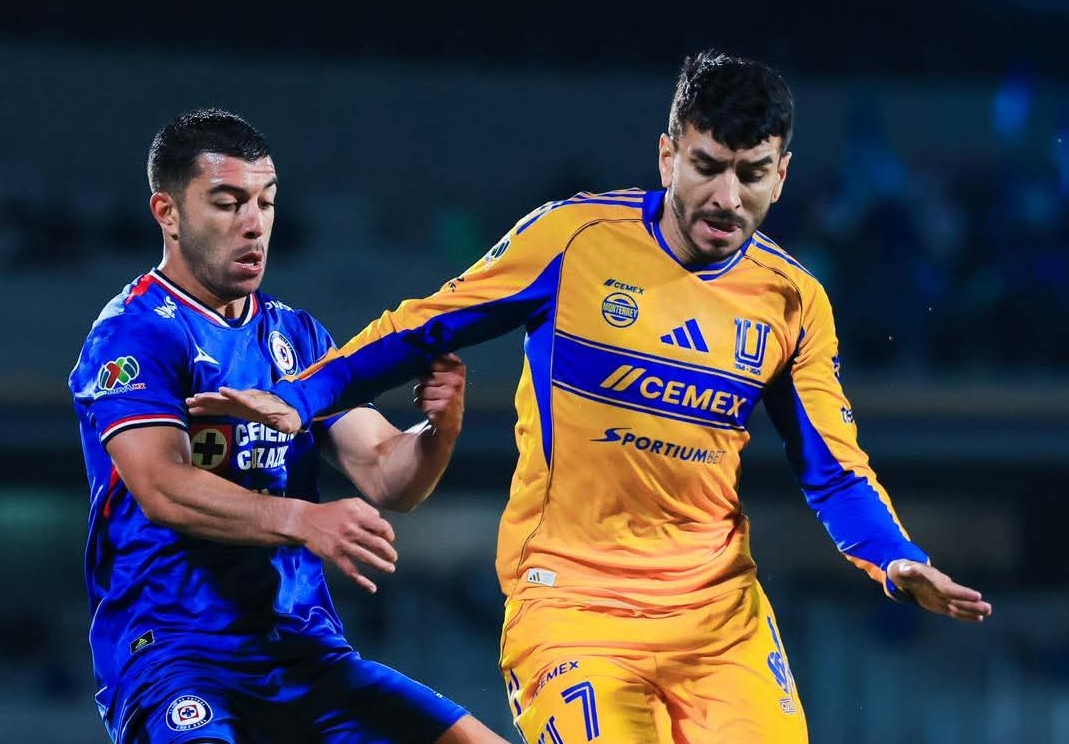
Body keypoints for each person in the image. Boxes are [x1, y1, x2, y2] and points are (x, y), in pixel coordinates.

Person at [189, 51, 994, 743]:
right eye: (707, 166)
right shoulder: (572, 240)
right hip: (572, 603)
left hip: (719, 619)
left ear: (780, 175)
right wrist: (305, 395)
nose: (726, 197)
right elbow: (423, 325)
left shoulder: (793, 300)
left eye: (751, 174)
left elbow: (833, 470)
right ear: (667, 156)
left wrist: (895, 557)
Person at [68, 108, 511, 744]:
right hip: (176, 653)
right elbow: (162, 486)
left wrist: (437, 431)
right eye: (227, 203)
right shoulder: (133, 333)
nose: (253, 223)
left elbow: (388, 476)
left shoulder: (296, 336)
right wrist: (303, 520)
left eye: (265, 202)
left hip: (304, 652)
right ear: (167, 213)